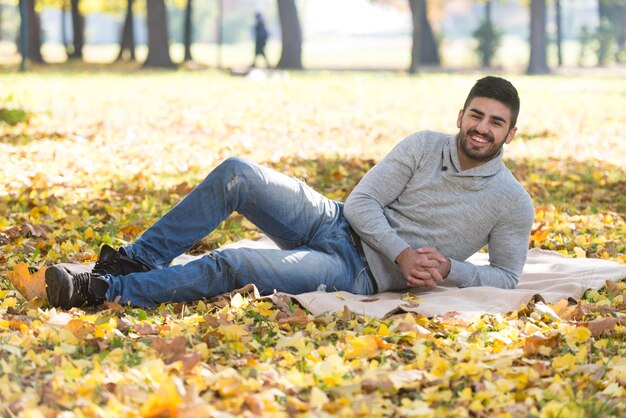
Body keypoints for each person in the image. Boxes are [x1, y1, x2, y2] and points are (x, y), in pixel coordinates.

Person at [45, 76, 535, 310]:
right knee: (238, 173)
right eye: (476, 115)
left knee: (234, 263)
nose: (482, 128)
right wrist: (403, 250)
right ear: (461, 115)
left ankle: (105, 290)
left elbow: (507, 276)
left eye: (496, 122)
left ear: (509, 134)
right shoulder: (424, 146)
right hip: (336, 221)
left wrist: (449, 268)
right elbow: (362, 203)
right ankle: (133, 260)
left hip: (359, 273)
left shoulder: (512, 203)